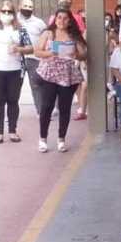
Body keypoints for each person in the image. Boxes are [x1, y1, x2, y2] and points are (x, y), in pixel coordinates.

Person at [34, 8, 87, 153]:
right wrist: (50, 53)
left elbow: (83, 55)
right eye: (59, 18)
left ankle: (61, 139)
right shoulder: (48, 33)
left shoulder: (74, 35)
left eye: (65, 18)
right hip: (49, 74)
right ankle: (43, 138)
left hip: (67, 76)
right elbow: (37, 51)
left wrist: (76, 53)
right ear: (54, 19)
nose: (61, 21)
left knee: (65, 108)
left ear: (70, 21)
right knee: (46, 107)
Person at [0, 1, 32, 144]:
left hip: (15, 70)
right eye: (4, 11)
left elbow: (30, 48)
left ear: (14, 14)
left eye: (9, 12)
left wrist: (19, 49)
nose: (6, 14)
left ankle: (13, 131)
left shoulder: (20, 29)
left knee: (13, 101)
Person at [18, 0, 48, 117]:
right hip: (16, 59)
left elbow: (47, 38)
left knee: (36, 85)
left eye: (30, 7)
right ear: (19, 6)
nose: (28, 8)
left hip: (34, 58)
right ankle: (11, 114)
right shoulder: (14, 20)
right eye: (25, 6)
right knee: (15, 87)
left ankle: (41, 112)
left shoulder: (39, 23)